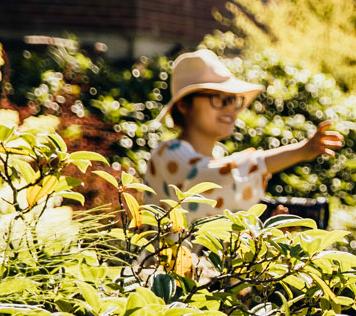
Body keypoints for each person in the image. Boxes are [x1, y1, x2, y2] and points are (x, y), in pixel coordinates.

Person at [139, 49, 341, 223]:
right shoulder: (168, 153)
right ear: (183, 105)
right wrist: (300, 151)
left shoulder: (218, 157)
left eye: (233, 100)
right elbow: (210, 176)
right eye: (218, 99)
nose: (231, 109)